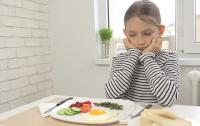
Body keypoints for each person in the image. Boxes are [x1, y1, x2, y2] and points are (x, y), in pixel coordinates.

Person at [105, 0, 180, 107]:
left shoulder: (169, 58)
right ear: (126, 34)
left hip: (155, 120)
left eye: (147, 33)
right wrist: (133, 55)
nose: (140, 41)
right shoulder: (119, 59)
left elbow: (169, 100)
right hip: (128, 119)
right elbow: (110, 95)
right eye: (132, 34)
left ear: (160, 31)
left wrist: (148, 57)